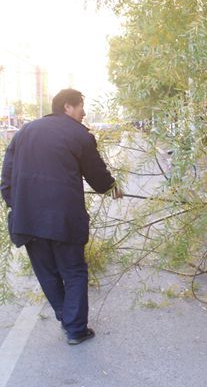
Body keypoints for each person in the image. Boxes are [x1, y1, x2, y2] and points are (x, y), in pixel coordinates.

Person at [1, 88, 122, 345]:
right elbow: (97, 175)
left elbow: (6, 177)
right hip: (63, 220)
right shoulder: (78, 134)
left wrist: (18, 206)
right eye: (81, 107)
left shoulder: (24, 132)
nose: (84, 112)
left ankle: (68, 318)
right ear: (68, 106)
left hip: (28, 221)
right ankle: (75, 327)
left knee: (47, 272)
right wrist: (111, 187)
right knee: (74, 270)